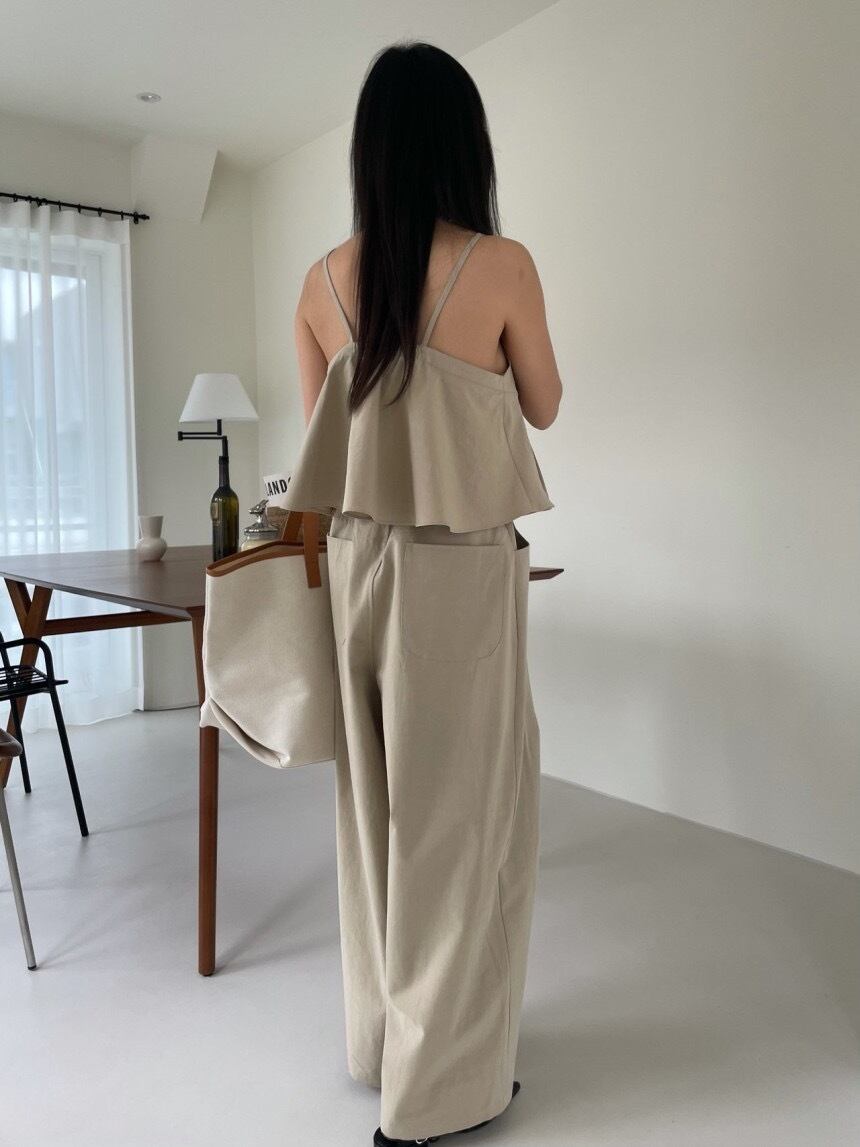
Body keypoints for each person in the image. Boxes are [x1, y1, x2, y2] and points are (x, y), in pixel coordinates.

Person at [284, 40, 562, 1146]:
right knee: (464, 820)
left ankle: (381, 1046)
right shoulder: (501, 264)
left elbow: (324, 442)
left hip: (355, 565)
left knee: (373, 816)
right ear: (461, 143)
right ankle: (436, 1093)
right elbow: (543, 402)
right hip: (458, 569)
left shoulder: (318, 282)